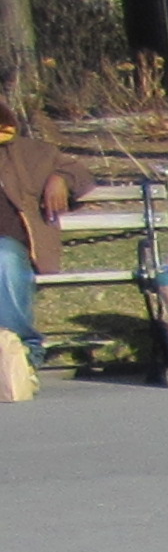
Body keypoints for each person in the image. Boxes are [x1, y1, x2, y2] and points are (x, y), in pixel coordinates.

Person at [0, 99, 88, 373]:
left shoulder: (32, 153)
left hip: (10, 246)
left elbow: (81, 172)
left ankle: (22, 349)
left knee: (3, 257)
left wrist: (61, 178)